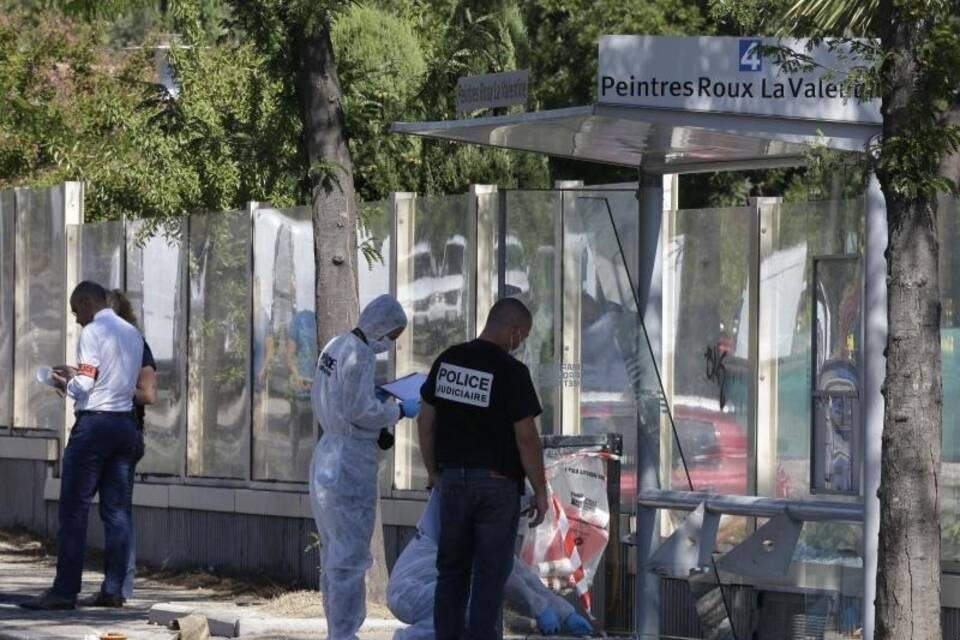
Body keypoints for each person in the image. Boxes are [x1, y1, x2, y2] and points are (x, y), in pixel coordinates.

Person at [417, 297, 550, 640]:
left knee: (451, 573)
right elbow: (526, 439)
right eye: (522, 336)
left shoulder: (448, 361)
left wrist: (432, 470)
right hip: (496, 486)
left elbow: (426, 419)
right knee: (490, 577)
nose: (520, 344)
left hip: (453, 484)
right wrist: (541, 490)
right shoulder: (511, 372)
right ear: (512, 330)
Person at [21, 281, 143, 610]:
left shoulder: (93, 332)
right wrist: (82, 375)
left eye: (76, 311)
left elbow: (86, 384)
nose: (76, 319)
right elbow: (116, 380)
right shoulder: (131, 333)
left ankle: (64, 591)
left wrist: (64, 382)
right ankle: (114, 589)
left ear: (88, 302)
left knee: (73, 510)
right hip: (125, 425)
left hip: (95, 427)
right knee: (116, 513)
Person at [309, 294, 419, 640]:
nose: (391, 342)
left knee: (335, 555)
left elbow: (344, 396)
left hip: (328, 457)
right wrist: (398, 411)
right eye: (393, 334)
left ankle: (337, 631)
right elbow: (361, 412)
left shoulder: (337, 345)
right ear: (382, 326)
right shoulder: (361, 354)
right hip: (349, 465)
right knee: (350, 558)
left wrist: (376, 394)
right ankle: (344, 634)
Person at [387, 490, 594, 640]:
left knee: (471, 611)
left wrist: (565, 613)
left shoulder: (485, 513)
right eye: (523, 513)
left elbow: (518, 573)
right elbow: (508, 578)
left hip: (426, 586)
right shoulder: (479, 509)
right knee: (466, 607)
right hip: (411, 588)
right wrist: (540, 610)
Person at [106, 288, 157, 604]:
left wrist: (110, 391)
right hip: (102, 432)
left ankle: (121, 586)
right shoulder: (100, 347)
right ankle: (114, 584)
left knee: (118, 511)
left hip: (125, 432)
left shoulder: (137, 345)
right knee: (111, 511)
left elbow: (148, 394)